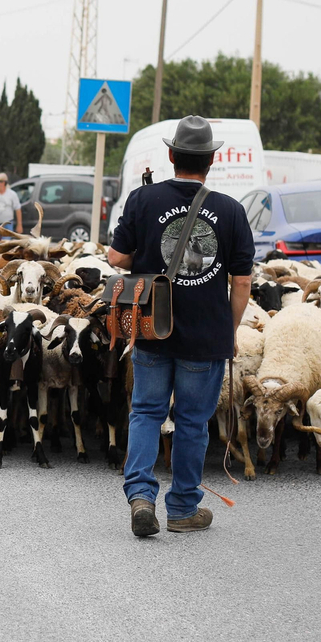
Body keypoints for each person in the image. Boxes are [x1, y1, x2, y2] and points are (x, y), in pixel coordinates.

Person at [106, 115, 253, 537]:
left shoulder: (142, 200)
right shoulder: (229, 210)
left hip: (152, 329)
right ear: (211, 160)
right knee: (191, 422)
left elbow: (116, 259)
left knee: (147, 413)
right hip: (206, 337)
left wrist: (148, 257)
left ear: (171, 156)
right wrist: (232, 329)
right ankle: (184, 509)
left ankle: (140, 498)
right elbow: (241, 280)